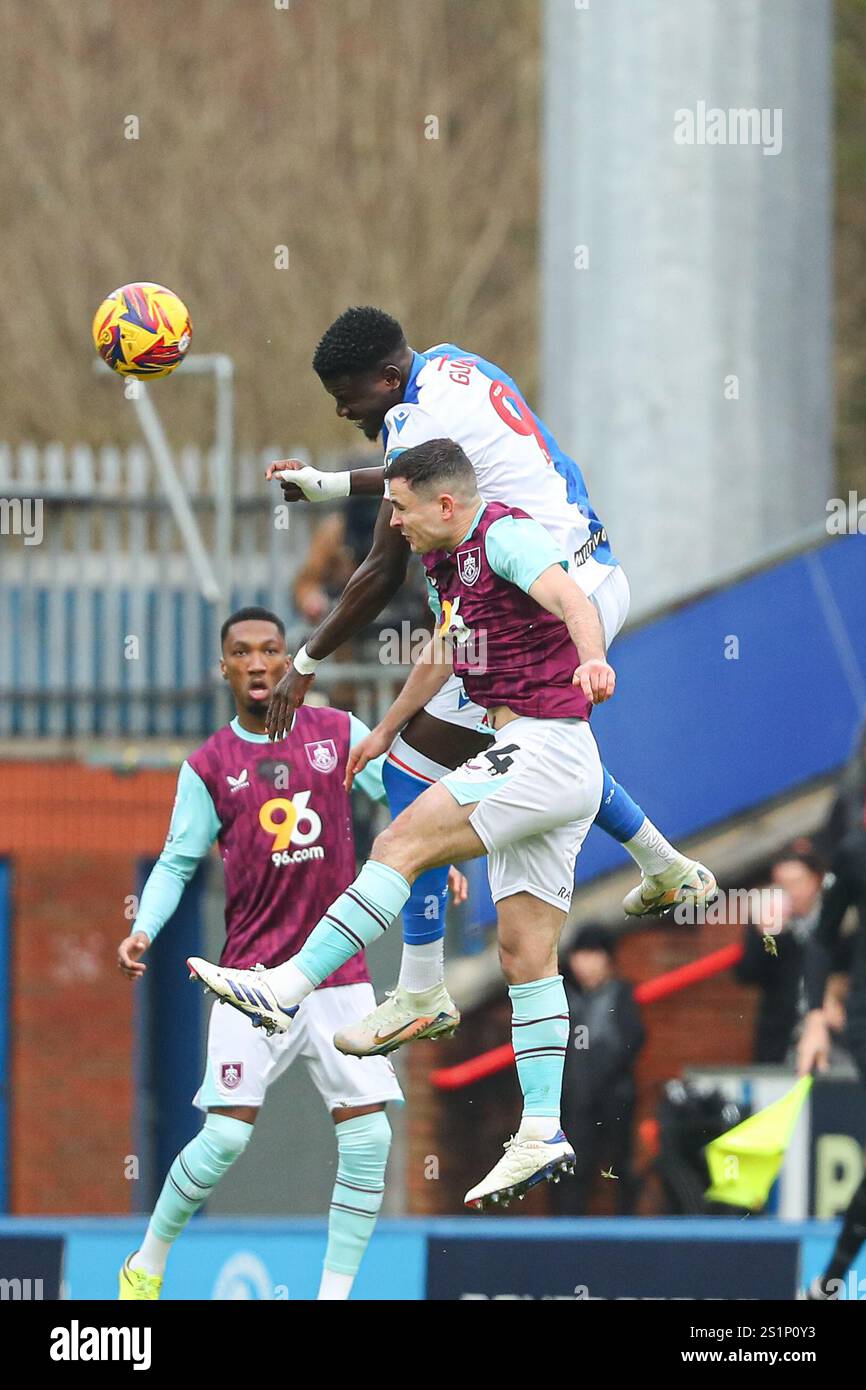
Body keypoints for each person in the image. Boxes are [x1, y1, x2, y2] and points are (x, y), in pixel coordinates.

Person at [262, 306, 715, 1054]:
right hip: (574, 577)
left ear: (385, 376)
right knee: (520, 753)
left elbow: (379, 569)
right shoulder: (448, 362)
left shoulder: (411, 418)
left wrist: (305, 663)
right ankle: (663, 865)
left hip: (545, 594)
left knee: (434, 765)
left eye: (348, 394)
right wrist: (332, 484)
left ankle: (418, 990)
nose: (344, 411)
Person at [189, 440, 616, 1208]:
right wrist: (387, 731)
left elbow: (573, 598)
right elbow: (447, 651)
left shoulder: (506, 536)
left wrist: (592, 659)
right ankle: (543, 1126)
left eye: (402, 506)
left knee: (399, 842)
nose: (392, 520)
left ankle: (288, 986)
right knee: (525, 953)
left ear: (444, 504)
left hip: (546, 745)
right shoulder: (454, 564)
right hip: (553, 758)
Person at [116, 607, 462, 1301]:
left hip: (339, 977)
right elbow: (178, 859)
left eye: (270, 649)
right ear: (225, 668)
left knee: (369, 1139)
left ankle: (332, 1296)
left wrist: (434, 848)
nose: (256, 662)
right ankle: (146, 1265)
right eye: (241, 652)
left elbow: (397, 794)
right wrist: (144, 928)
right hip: (250, 978)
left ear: (289, 661)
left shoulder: (338, 733)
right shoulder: (210, 765)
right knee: (223, 1141)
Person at [798, 823, 866, 1299]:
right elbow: (822, 937)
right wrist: (816, 1018)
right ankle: (831, 1280)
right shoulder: (856, 852)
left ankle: (830, 1280)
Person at [553, 926, 645, 1216]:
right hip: (572, 1104)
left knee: (619, 1171)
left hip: (613, 1101)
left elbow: (633, 1039)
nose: (586, 963)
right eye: (581, 955)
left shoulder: (621, 994)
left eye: (594, 955)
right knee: (570, 1175)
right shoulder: (561, 995)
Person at [734, 850, 826, 1063]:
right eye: (782, 885)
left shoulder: (837, 920)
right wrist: (765, 936)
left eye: (797, 882)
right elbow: (747, 974)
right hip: (781, 1038)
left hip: (832, 1036)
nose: (790, 892)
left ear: (816, 881)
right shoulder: (767, 922)